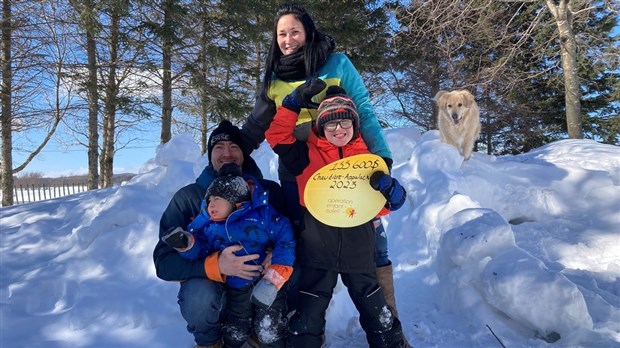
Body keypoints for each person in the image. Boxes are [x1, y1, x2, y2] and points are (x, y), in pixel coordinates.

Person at [240, 4, 406, 335]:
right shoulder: (274, 75)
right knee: (305, 241)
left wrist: (381, 159)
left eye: (295, 32)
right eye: (281, 34)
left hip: (346, 155)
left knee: (371, 237)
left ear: (309, 32)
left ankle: (391, 328)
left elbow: (365, 110)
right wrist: (232, 152)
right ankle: (300, 324)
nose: (288, 40)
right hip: (298, 161)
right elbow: (260, 123)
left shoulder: (337, 64)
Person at [265, 84, 408, 347]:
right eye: (330, 124)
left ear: (354, 123)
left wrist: (393, 196)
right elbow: (276, 135)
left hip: (358, 245)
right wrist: (292, 103)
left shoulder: (368, 160)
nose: (338, 129)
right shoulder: (306, 155)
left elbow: (376, 207)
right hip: (318, 246)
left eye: (344, 121)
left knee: (376, 312)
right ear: (320, 126)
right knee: (308, 314)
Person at [153, 120, 287, 348]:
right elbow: (164, 263)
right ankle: (211, 341)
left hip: (260, 279)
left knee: (296, 267)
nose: (227, 153)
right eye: (218, 147)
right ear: (210, 156)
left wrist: (277, 252)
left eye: (234, 147)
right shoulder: (188, 198)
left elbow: (293, 233)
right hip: (215, 289)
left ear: (244, 154)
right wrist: (216, 266)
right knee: (199, 296)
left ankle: (263, 329)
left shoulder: (269, 192)